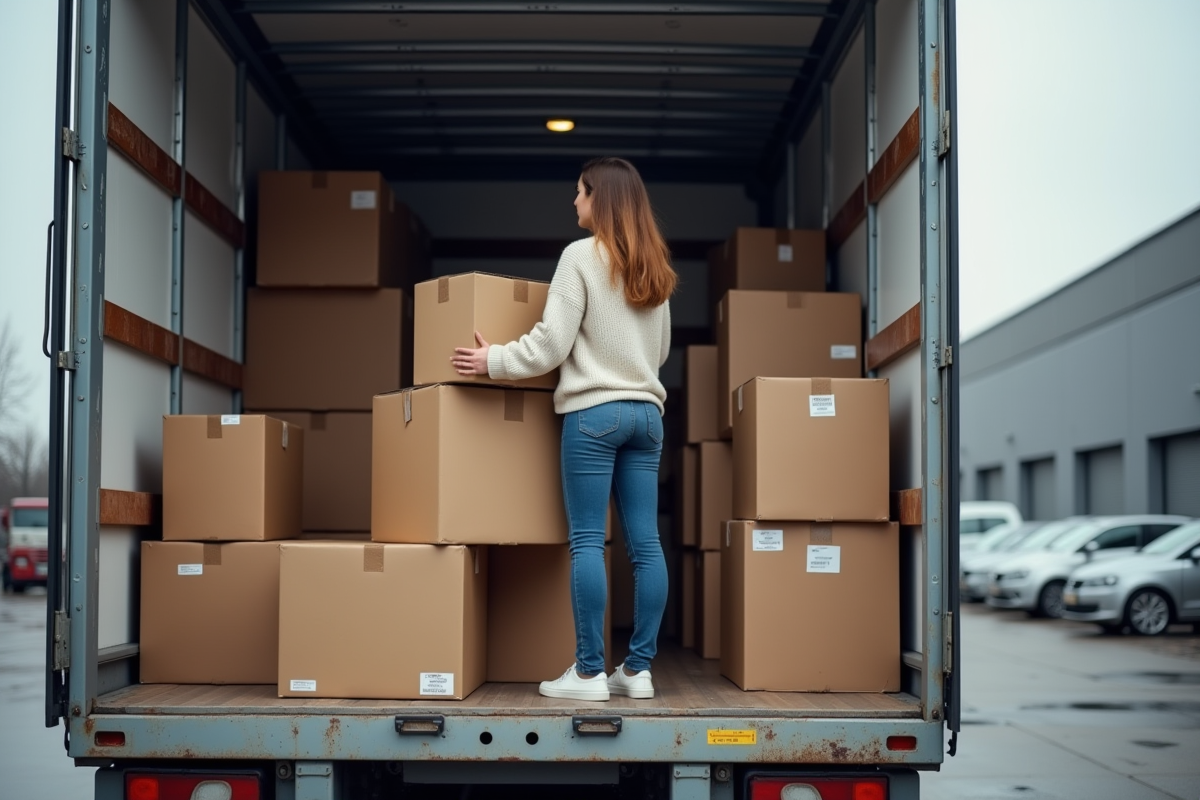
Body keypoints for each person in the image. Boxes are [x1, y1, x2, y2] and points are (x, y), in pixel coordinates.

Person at [451, 157, 675, 702]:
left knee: (586, 543)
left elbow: (551, 345)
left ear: (601, 198)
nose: (573, 201)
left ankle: (590, 673)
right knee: (646, 545)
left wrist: (493, 361)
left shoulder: (579, 257)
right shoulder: (655, 265)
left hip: (594, 415)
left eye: (579, 192)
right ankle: (638, 671)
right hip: (647, 416)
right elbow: (661, 351)